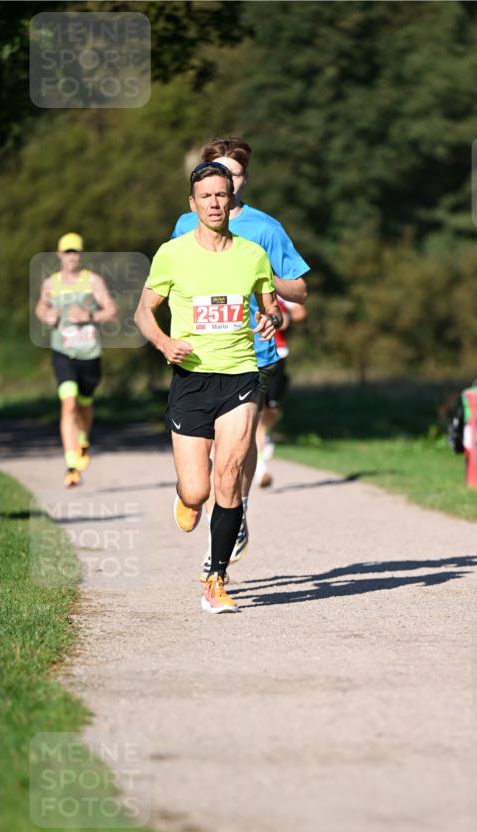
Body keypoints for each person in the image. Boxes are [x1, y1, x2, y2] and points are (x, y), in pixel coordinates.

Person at [134, 162, 283, 614]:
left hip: (240, 374)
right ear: (193, 203)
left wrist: (270, 318)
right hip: (191, 380)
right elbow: (143, 312)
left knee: (230, 474)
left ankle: (216, 579)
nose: (215, 203)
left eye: (221, 195)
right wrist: (164, 343)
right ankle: (186, 496)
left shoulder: (252, 255)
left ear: (231, 199)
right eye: (206, 197)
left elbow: (272, 308)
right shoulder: (172, 254)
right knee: (198, 489)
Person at [171, 137, 309, 571]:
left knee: (238, 446)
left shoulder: (265, 228)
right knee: (204, 455)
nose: (225, 182)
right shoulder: (185, 224)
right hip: (200, 354)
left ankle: (236, 511)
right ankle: (192, 491)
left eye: (234, 174)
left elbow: (299, 290)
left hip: (254, 352)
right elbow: (172, 278)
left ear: (243, 180)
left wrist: (258, 270)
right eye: (217, 172)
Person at [35, 233, 117, 487]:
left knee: (84, 404)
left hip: (89, 354)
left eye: (75, 252)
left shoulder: (93, 281)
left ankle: (83, 439)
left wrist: (89, 316)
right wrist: (47, 315)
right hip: (63, 353)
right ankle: (71, 466)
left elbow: (111, 310)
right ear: (59, 255)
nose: (71, 257)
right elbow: (41, 307)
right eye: (67, 252)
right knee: (68, 404)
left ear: (81, 255)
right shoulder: (51, 283)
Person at [255, 294, 308, 489]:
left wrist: (287, 318)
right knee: (257, 411)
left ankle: (266, 436)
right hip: (251, 355)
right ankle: (261, 468)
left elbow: (301, 312)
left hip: (278, 353)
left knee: (273, 410)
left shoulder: (277, 289)